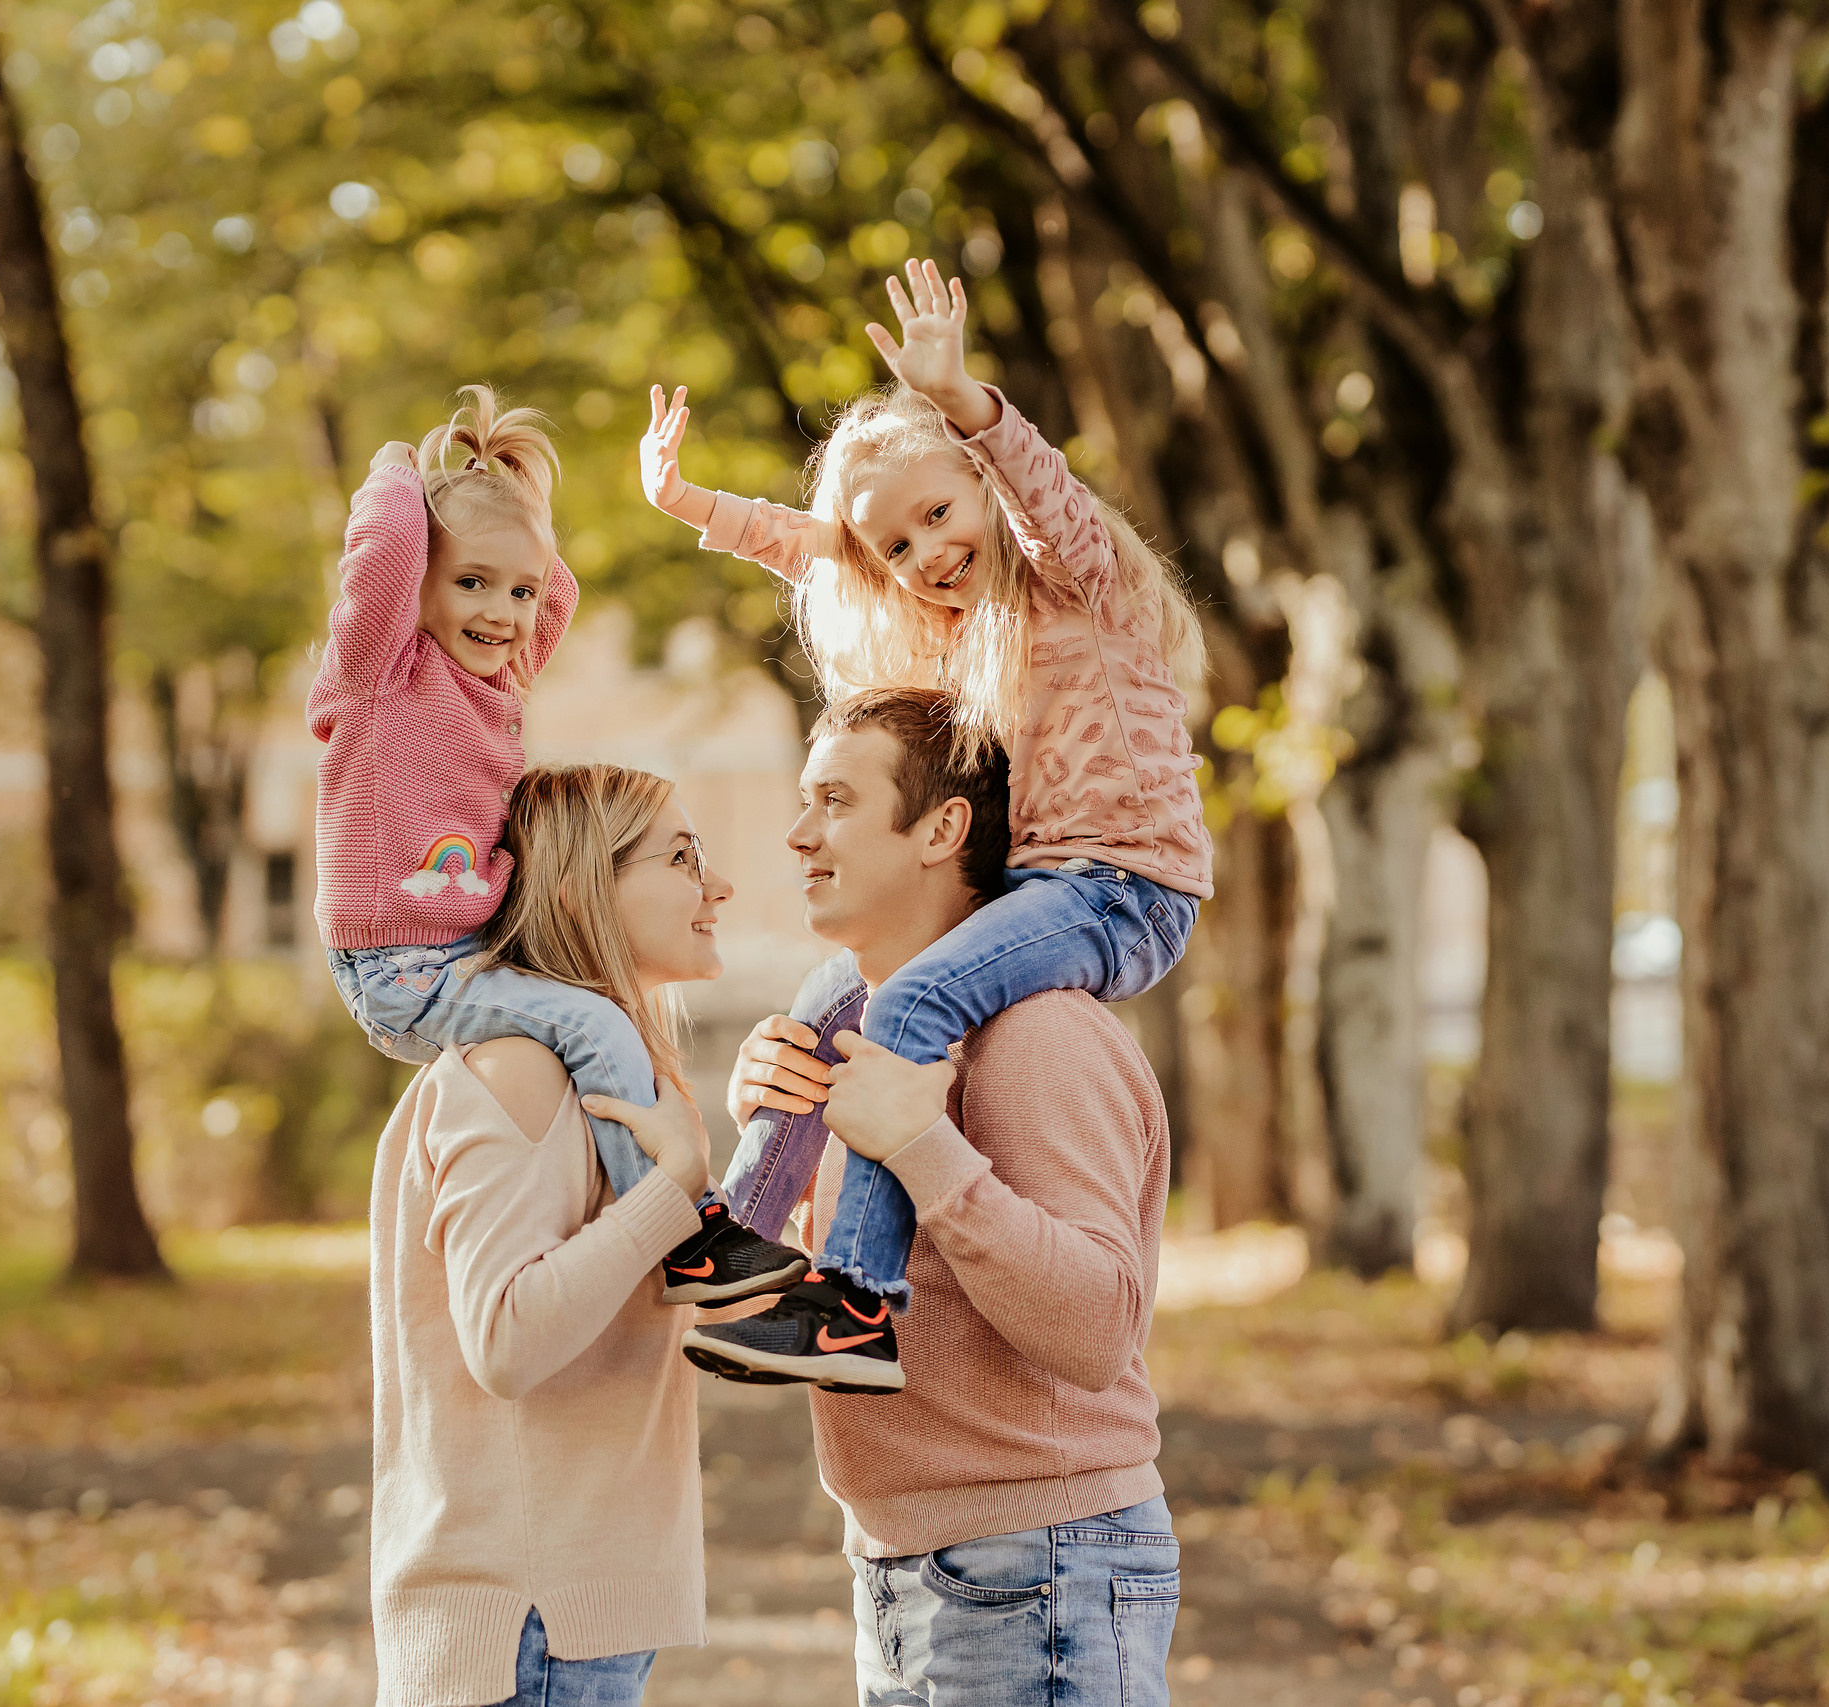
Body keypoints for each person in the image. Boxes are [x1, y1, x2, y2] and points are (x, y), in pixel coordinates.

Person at [641, 261, 1212, 1385]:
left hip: (1123, 888)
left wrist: (964, 402)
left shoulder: (1071, 584)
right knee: (825, 999)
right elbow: (823, 550)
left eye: (938, 515)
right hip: (1041, 887)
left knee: (912, 997)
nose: (924, 556)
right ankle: (745, 1242)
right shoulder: (949, 622)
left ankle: (856, 1300)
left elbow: (1041, 493)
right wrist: (692, 507)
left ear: (980, 490)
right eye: (898, 548)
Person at [709, 688, 1182, 1706]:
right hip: (912, 1570)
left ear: (941, 827)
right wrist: (777, 1136)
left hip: (1036, 1570)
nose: (798, 836)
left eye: (835, 801)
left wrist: (921, 1145)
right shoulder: (864, 1034)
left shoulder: (1036, 1037)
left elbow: (1098, 1327)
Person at [313, 384, 802, 1308]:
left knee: (606, 1011)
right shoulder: (380, 673)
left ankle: (665, 1205)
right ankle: (683, 1234)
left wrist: (515, 503)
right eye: (470, 583)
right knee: (591, 1023)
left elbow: (559, 587)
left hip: (463, 945)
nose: (502, 614)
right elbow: (379, 558)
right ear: (417, 579)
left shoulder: (498, 681)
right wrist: (398, 474)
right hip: (398, 964)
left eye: (518, 592)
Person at [368, 762, 741, 1707]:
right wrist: (669, 1194)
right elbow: (507, 1336)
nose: (718, 886)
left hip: (563, 1624)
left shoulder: (590, 1077)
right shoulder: (519, 1068)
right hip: (527, 1630)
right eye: (682, 857)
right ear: (583, 883)